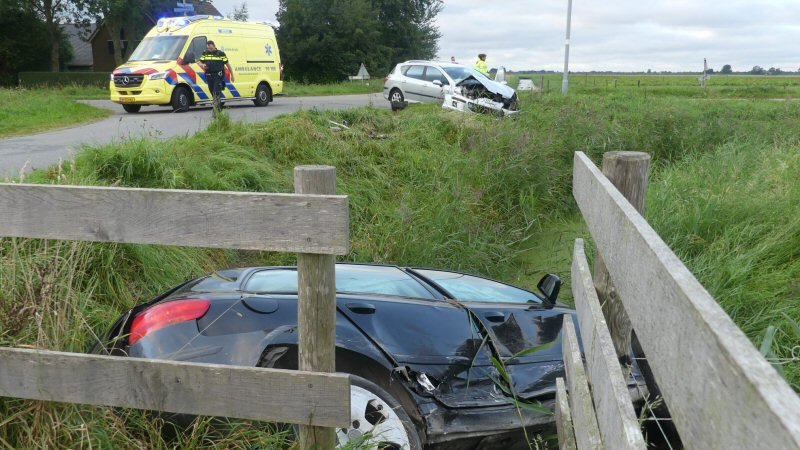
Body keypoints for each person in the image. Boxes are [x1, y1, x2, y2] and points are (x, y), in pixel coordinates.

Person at [198, 40, 234, 109]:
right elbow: (199, 62)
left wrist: (232, 75)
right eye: (208, 48)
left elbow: (228, 65)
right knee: (212, 92)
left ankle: (216, 111)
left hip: (218, 76)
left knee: (216, 92)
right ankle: (219, 108)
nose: (210, 50)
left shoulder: (220, 54)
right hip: (209, 76)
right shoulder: (205, 53)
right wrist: (202, 65)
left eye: (211, 48)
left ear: (214, 46)